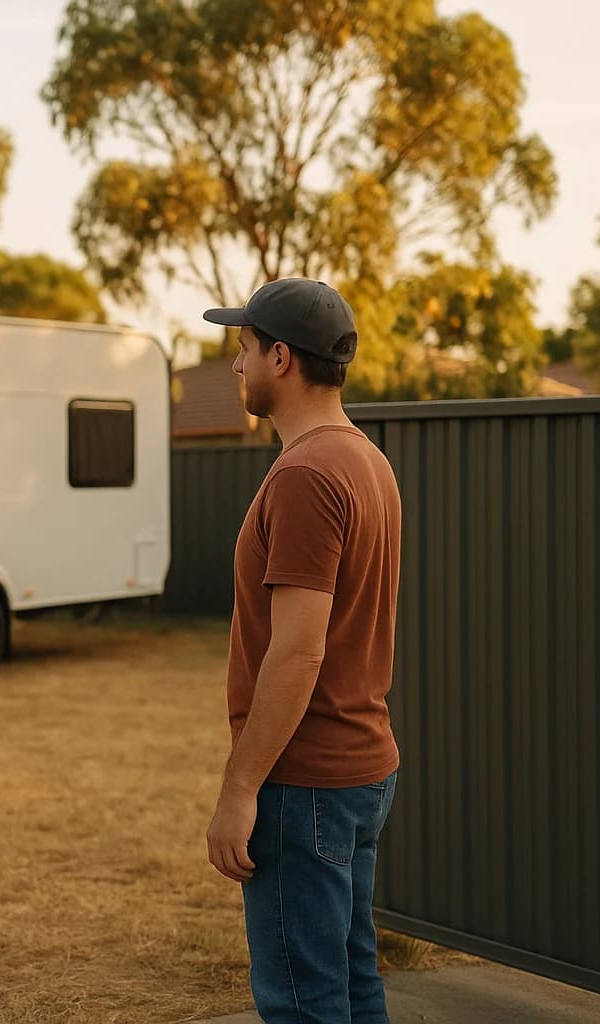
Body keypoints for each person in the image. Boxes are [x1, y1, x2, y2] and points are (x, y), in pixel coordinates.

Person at [200, 278, 403, 1024]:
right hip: (358, 771)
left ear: (280, 358)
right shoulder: (366, 462)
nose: (236, 365)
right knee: (351, 985)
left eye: (244, 348)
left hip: (305, 784)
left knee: (301, 1003)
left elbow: (298, 653)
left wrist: (240, 789)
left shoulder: (307, 475)